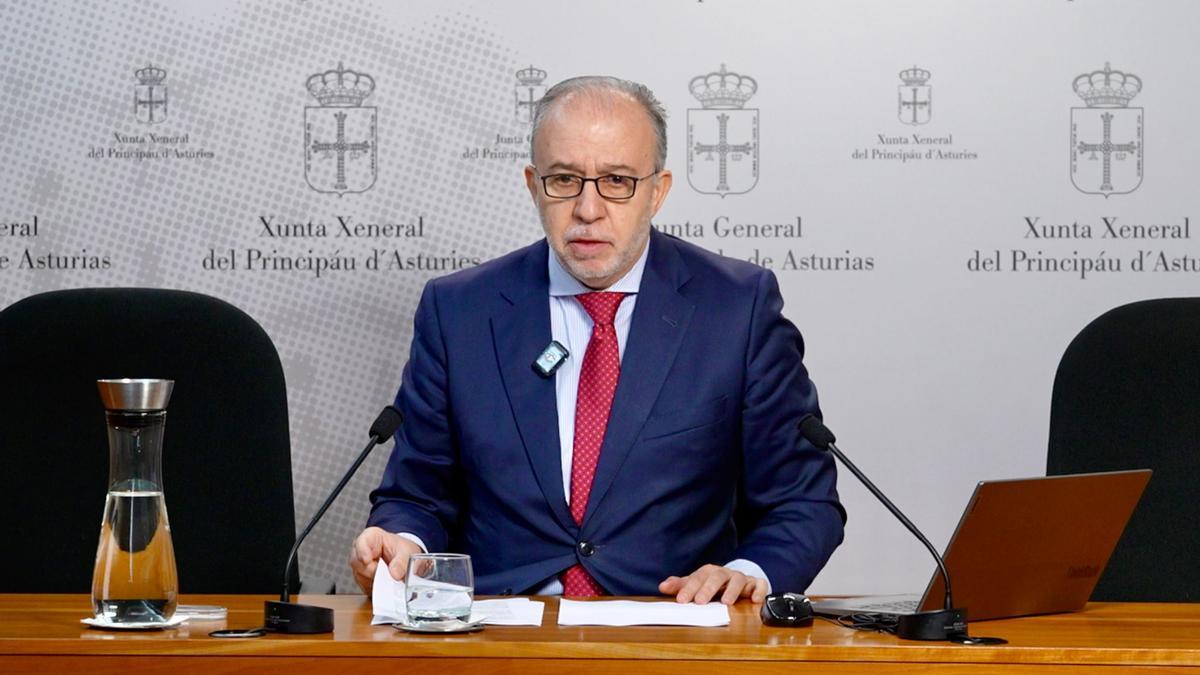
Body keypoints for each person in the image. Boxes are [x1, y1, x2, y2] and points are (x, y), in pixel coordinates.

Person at [351, 75, 844, 605]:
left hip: (674, 626)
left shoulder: (735, 309)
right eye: (564, 179)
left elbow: (803, 501)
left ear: (658, 191)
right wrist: (403, 544)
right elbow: (418, 494)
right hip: (501, 631)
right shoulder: (459, 311)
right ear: (533, 185)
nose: (588, 209)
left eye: (617, 181)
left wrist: (747, 573)